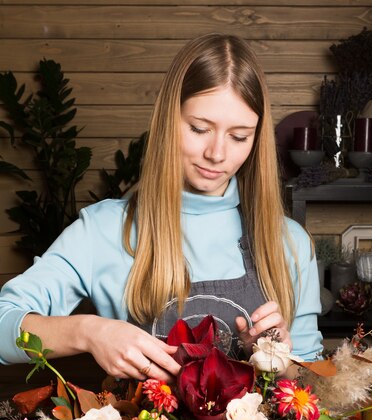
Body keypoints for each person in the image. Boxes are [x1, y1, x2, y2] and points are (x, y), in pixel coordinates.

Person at [0, 33, 322, 381]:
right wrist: (91, 332)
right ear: (169, 120)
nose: (216, 153)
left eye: (239, 136)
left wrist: (278, 360)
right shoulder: (104, 229)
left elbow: (314, 383)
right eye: (199, 129)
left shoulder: (289, 242)